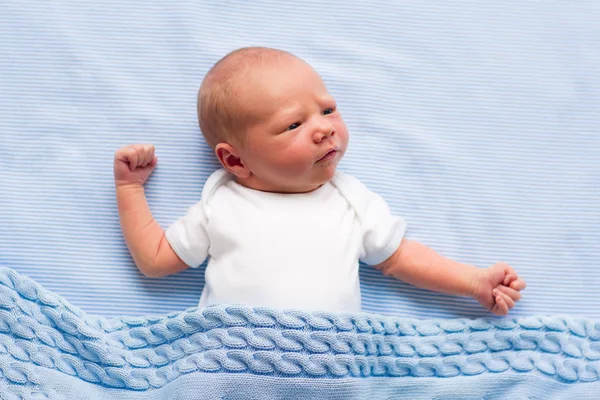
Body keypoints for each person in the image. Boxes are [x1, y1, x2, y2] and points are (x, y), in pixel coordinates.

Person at [113, 47, 526, 314]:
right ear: (236, 159)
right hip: (231, 357)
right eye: (293, 124)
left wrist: (472, 282)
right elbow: (155, 259)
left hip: (328, 362)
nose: (323, 129)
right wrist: (130, 189)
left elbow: (402, 258)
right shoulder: (221, 204)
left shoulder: (349, 199)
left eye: (327, 110)